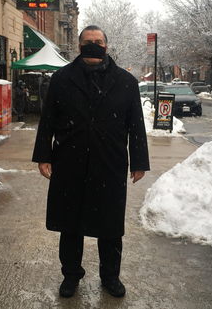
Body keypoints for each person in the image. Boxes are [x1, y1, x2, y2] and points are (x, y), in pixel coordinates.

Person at [32, 25, 149, 298]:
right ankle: (71, 275)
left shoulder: (126, 82)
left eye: (98, 41)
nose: (93, 45)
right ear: (79, 46)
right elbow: (47, 120)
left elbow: (136, 125)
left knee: (110, 226)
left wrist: (139, 162)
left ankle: (111, 276)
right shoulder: (61, 79)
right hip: (69, 162)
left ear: (106, 47)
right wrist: (42, 156)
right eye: (87, 41)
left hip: (110, 164)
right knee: (70, 225)